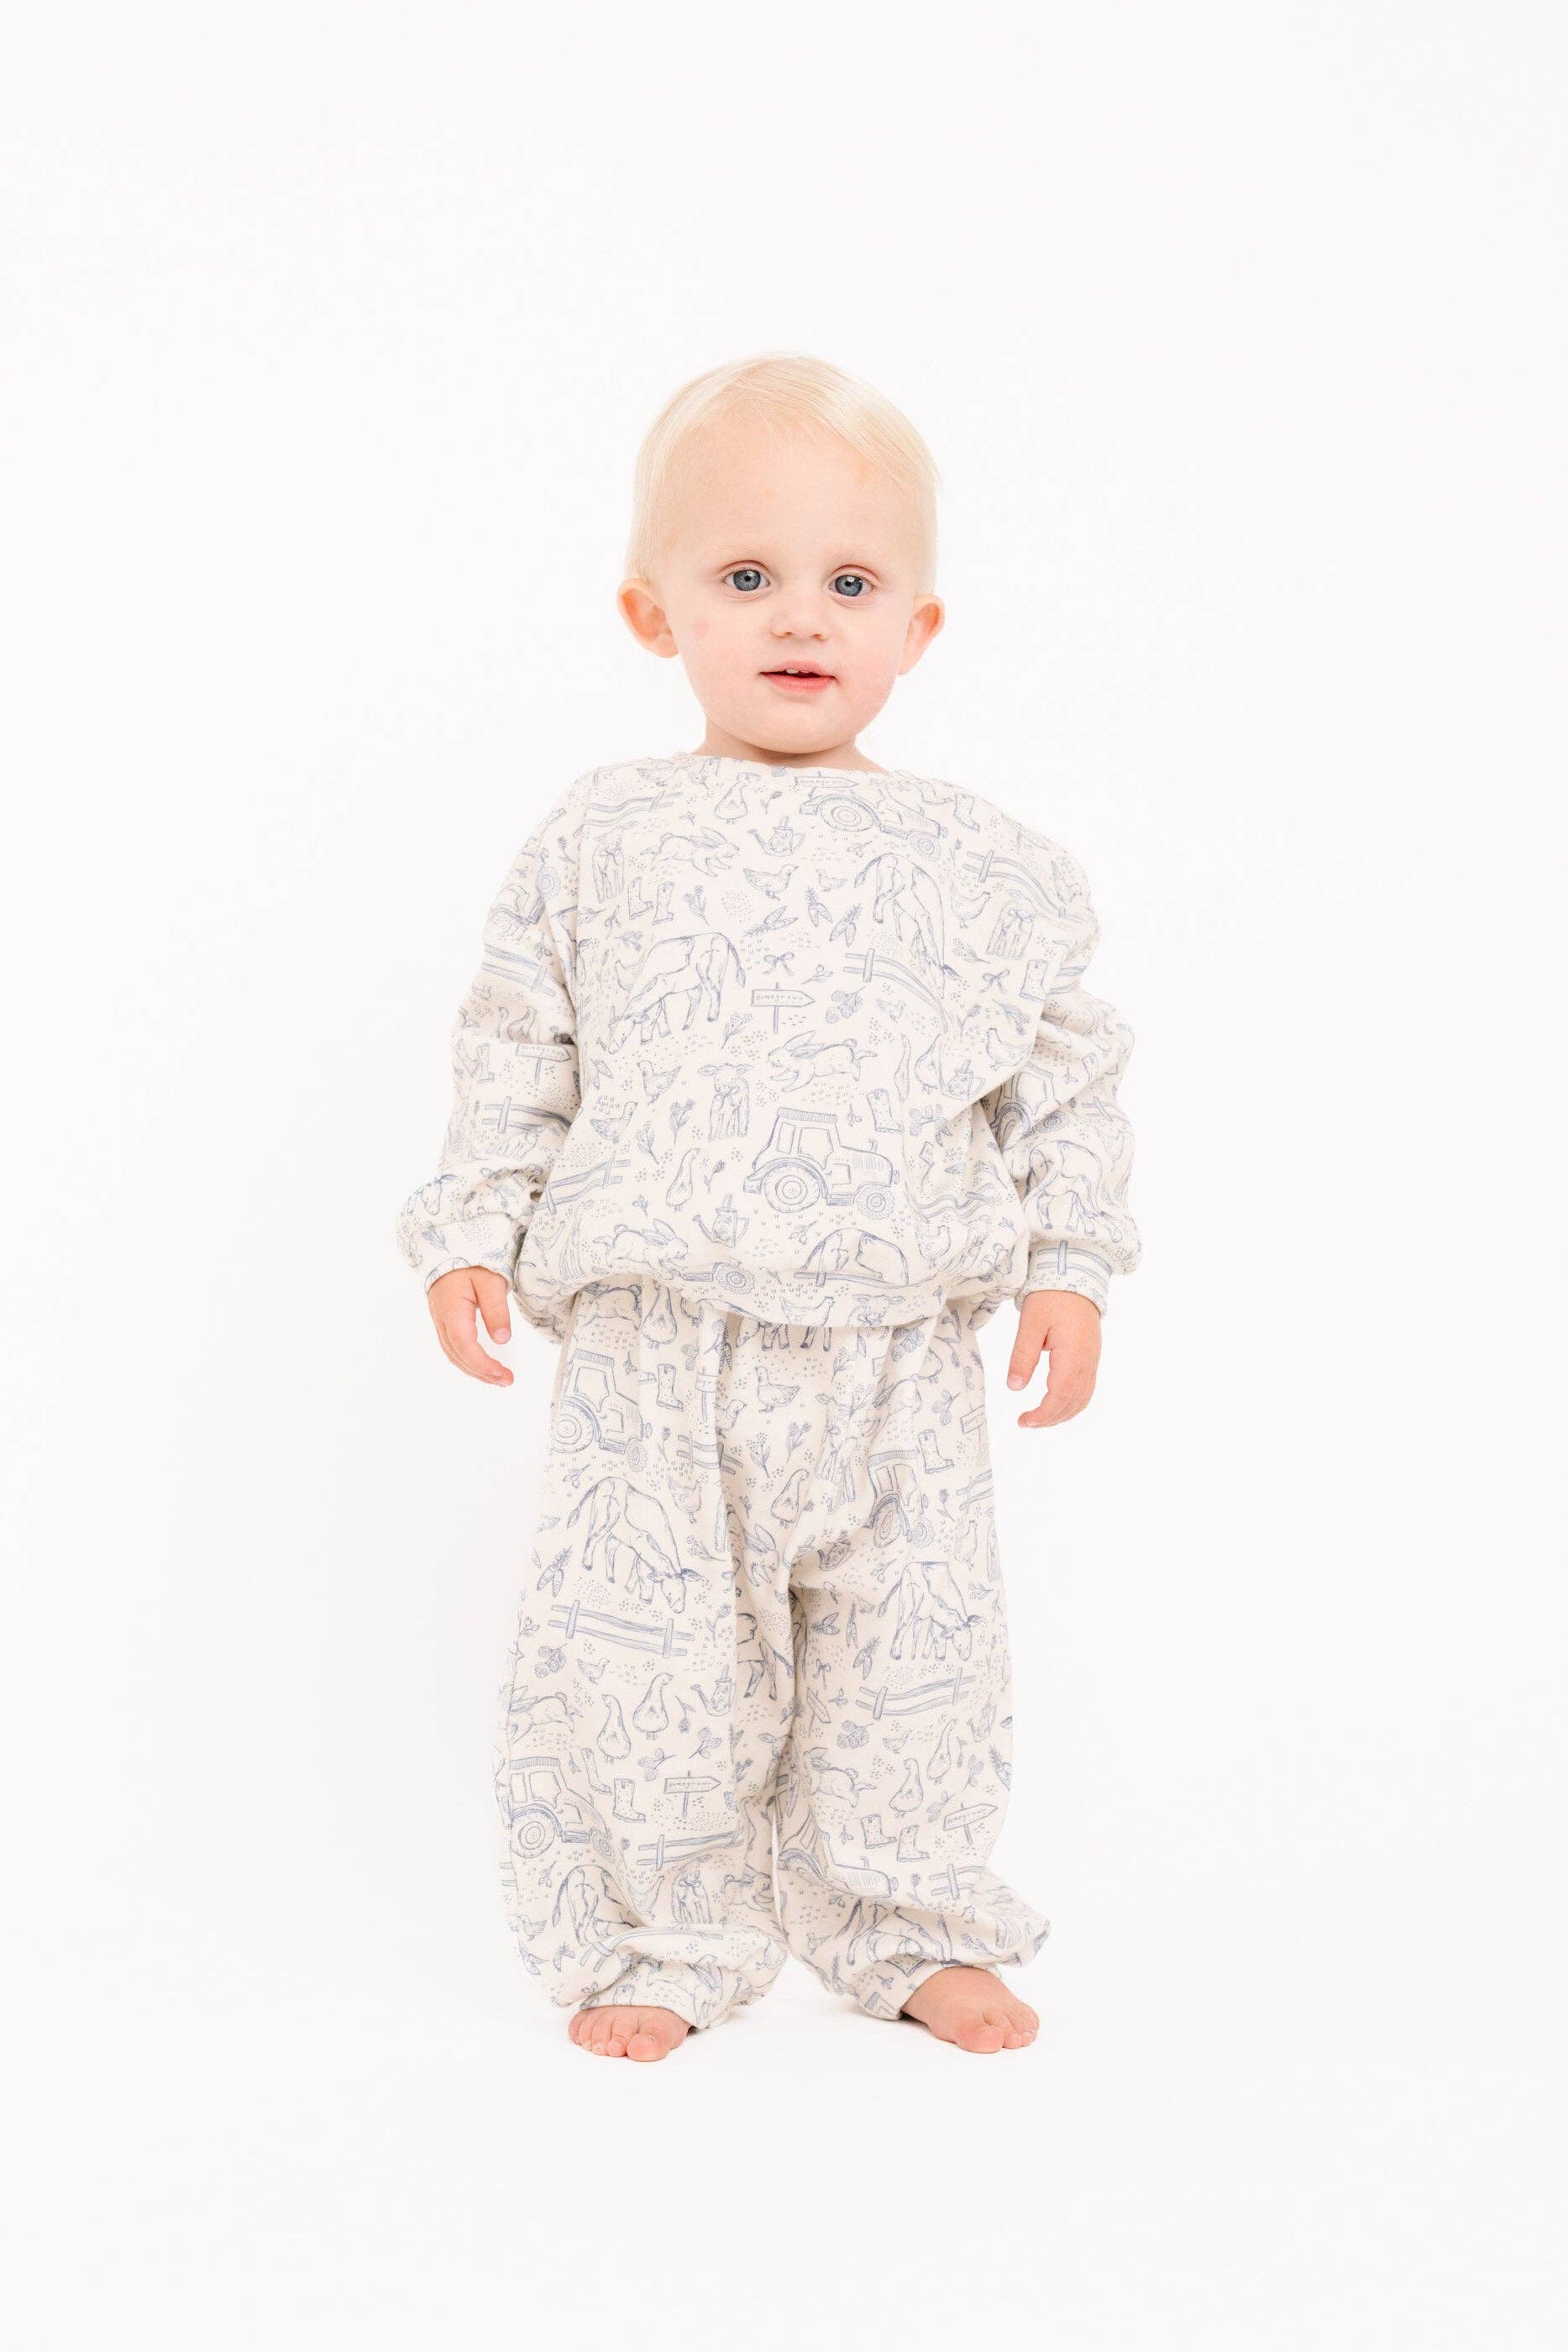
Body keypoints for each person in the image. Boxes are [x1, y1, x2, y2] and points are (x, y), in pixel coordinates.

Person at [394, 352, 1141, 2061]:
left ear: (919, 627)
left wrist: (1072, 1266)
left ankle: (906, 1917)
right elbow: (520, 1040)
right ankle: (663, 1932)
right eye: (746, 575)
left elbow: (1064, 1077)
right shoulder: (606, 833)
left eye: (851, 583)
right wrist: (471, 1225)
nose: (802, 616)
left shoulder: (987, 866)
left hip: (896, 1348)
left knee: (917, 1657)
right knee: (644, 1656)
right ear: (651, 610)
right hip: (659, 1340)